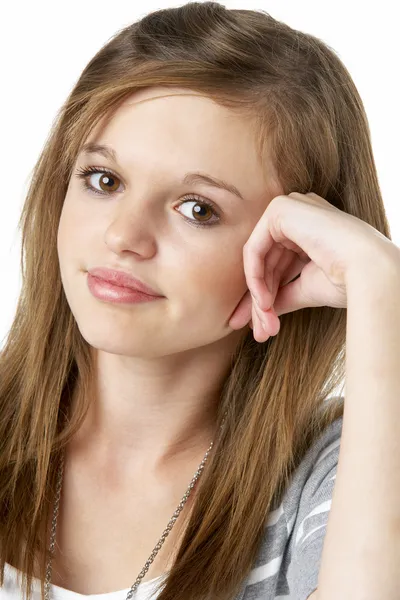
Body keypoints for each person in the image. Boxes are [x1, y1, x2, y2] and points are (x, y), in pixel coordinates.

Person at [0, 2, 398, 600]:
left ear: (290, 249)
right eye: (104, 180)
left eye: (197, 208)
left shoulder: (340, 480)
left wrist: (379, 286)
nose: (123, 238)